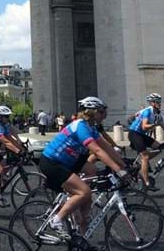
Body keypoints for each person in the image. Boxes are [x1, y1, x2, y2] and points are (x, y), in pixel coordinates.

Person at [39, 97, 128, 242]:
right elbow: (98, 151)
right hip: (53, 162)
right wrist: (118, 170)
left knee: (92, 171)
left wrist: (123, 164)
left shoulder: (91, 127)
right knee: (84, 192)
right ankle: (57, 220)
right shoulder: (80, 126)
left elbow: (106, 147)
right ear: (92, 112)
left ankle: (82, 230)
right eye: (101, 112)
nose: (104, 115)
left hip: (69, 159)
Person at [128, 93, 164, 191]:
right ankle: (147, 183)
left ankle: (142, 165)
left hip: (141, 135)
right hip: (134, 134)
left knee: (160, 147)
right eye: (157, 102)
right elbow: (144, 126)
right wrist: (155, 124)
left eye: (159, 101)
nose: (159, 103)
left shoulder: (158, 115)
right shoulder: (147, 111)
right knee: (145, 157)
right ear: (152, 103)